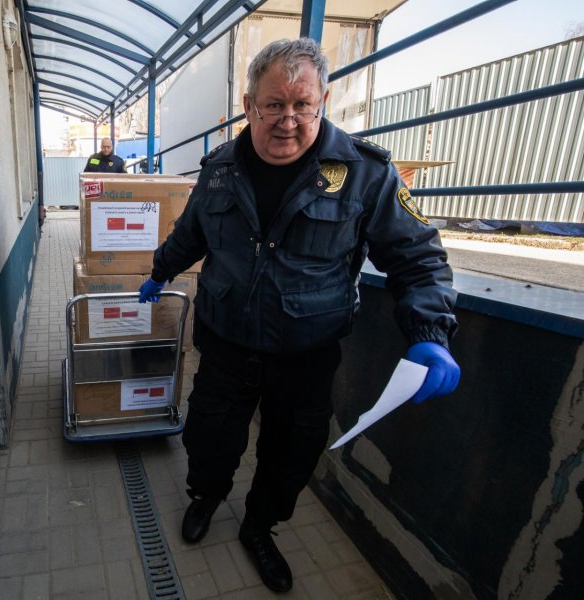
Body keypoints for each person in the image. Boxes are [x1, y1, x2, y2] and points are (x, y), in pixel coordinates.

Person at [137, 38, 460, 594]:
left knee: (290, 453)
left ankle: (260, 527)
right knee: (211, 437)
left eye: (302, 105)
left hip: (306, 354)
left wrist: (429, 332)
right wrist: (161, 269)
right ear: (249, 106)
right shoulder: (219, 170)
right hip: (226, 340)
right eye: (273, 105)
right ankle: (206, 496)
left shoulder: (366, 174)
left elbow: (418, 258)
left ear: (323, 101)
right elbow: (193, 232)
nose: (288, 121)